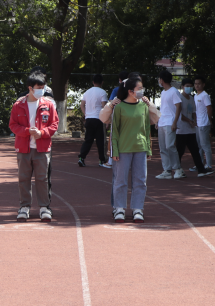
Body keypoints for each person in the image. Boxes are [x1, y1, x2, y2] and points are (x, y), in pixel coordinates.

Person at [108, 73, 160, 223]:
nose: (142, 91)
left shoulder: (144, 106)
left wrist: (148, 148)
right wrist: (114, 150)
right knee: (120, 181)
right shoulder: (119, 107)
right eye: (139, 88)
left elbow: (147, 129)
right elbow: (114, 131)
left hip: (140, 148)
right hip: (123, 149)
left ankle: (138, 209)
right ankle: (119, 208)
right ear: (130, 91)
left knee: (140, 181)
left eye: (142, 88)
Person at [9, 71, 59, 222]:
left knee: (42, 178)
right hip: (23, 148)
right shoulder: (18, 105)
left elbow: (54, 124)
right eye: (38, 88)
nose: (41, 91)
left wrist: (42, 133)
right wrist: (26, 131)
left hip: (42, 148)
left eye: (43, 87)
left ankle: (44, 207)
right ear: (30, 88)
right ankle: (24, 207)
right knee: (23, 178)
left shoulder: (48, 105)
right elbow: (12, 125)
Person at [175, 79, 213, 177]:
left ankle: (201, 169)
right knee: (180, 151)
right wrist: (189, 121)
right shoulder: (179, 98)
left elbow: (193, 112)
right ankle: (177, 169)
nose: (189, 88)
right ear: (183, 87)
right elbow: (179, 114)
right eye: (187, 86)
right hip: (181, 129)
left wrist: (194, 121)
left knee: (195, 150)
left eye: (190, 86)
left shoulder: (192, 98)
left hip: (191, 129)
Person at [155, 70, 183, 179]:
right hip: (162, 122)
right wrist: (158, 121)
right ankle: (167, 170)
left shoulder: (174, 91)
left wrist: (175, 122)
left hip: (170, 122)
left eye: (159, 79)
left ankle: (178, 169)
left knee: (170, 145)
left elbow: (178, 106)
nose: (159, 81)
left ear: (162, 80)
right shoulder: (163, 92)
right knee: (163, 147)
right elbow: (163, 108)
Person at [78, 73, 109, 168]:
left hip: (89, 119)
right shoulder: (102, 92)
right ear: (102, 82)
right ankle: (102, 160)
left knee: (88, 140)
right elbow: (104, 106)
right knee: (101, 141)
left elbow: (82, 105)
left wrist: (86, 114)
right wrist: (107, 120)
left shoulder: (87, 92)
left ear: (93, 82)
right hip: (99, 119)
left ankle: (81, 158)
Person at [193, 75, 213, 171]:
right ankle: (199, 164)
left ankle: (209, 165)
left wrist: (208, 120)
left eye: (199, 84)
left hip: (204, 123)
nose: (197, 86)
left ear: (203, 85)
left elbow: (209, 108)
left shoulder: (205, 95)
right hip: (198, 124)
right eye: (195, 84)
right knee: (199, 145)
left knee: (205, 145)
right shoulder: (196, 96)